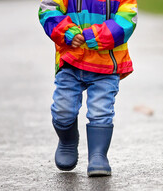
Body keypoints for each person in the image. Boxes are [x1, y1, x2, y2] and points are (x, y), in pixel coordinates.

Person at [38, 0, 138, 177]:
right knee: (63, 109)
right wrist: (67, 31)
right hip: (71, 61)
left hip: (106, 65)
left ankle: (98, 156)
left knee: (101, 111)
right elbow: (48, 10)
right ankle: (67, 140)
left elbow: (127, 20)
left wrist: (97, 36)